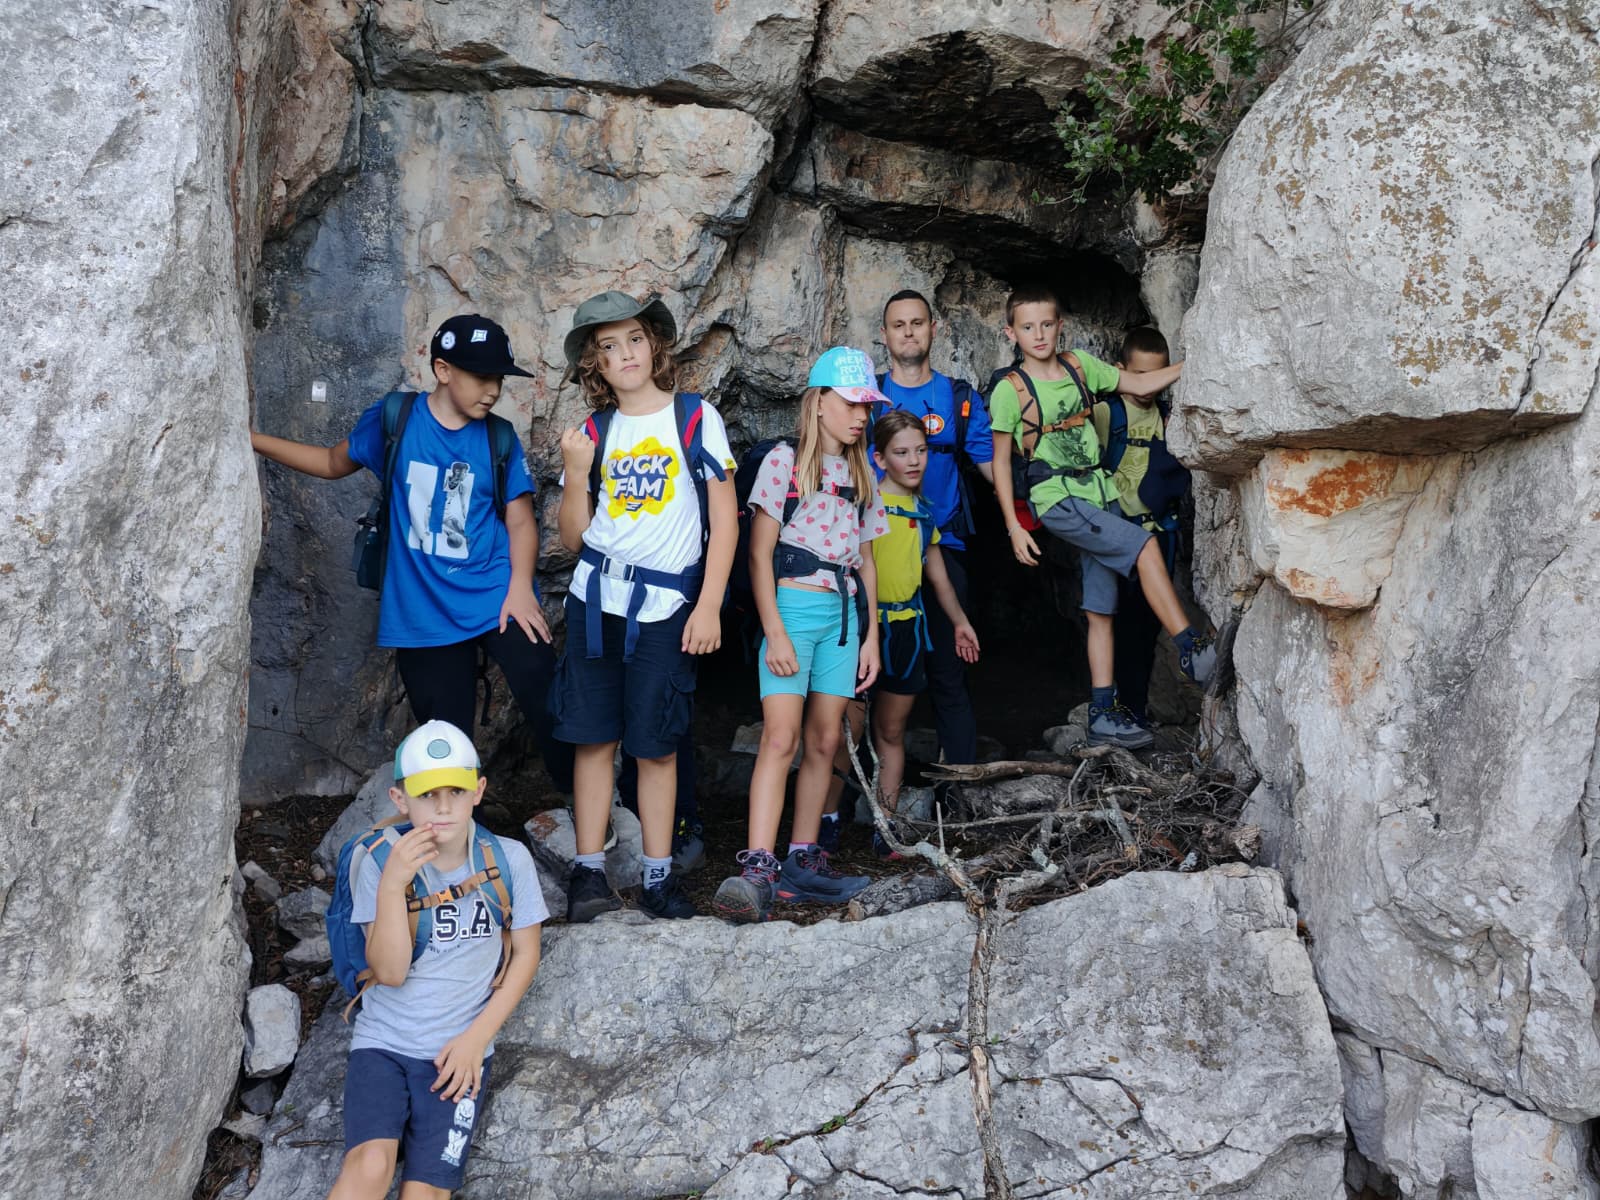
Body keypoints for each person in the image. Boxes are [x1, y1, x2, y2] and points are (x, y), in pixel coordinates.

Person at [250, 315, 563, 773]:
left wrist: (519, 588)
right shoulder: (395, 420)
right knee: (446, 737)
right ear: (442, 370)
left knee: (548, 694)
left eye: (498, 379)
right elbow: (332, 462)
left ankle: (581, 800)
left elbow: (520, 521)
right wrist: (252, 441)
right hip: (421, 607)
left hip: (496, 592)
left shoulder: (499, 438)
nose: (493, 390)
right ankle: (462, 816)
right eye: (481, 377)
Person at [554, 292, 737, 922]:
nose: (625, 353)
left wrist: (708, 605)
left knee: (656, 744)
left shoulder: (695, 418)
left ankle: (658, 878)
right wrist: (575, 470)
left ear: (654, 345)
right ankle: (588, 874)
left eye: (634, 339)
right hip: (594, 598)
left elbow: (725, 520)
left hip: (665, 605)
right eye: (608, 346)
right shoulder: (592, 433)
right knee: (593, 739)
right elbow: (573, 538)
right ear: (595, 365)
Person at [988, 287, 1215, 749]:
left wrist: (1198, 362)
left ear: (1060, 325)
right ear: (1011, 333)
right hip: (1058, 497)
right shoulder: (1010, 390)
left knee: (1101, 610)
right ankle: (1192, 649)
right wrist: (1013, 526)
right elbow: (1000, 461)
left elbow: (1141, 385)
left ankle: (1102, 713)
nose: (1038, 334)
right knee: (1144, 544)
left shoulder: (1079, 366)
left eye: (1046, 324)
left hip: (1099, 493)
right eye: (1027, 327)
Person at [330, 719, 545, 1200]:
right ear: (400, 799)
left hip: (457, 1054)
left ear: (478, 791)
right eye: (427, 795)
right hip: (383, 1044)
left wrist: (477, 1039)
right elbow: (389, 972)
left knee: (425, 1191)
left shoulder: (509, 859)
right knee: (369, 1165)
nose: (444, 807)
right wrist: (394, 883)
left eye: (456, 791)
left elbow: (526, 953)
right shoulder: (378, 861)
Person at [712, 347, 890, 923]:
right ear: (818, 403)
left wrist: (871, 636)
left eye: (867, 406)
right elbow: (759, 553)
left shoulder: (863, 473)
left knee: (826, 740)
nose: (861, 415)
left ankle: (801, 862)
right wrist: (775, 631)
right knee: (780, 737)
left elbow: (867, 561)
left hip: (843, 618)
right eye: (851, 403)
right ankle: (757, 867)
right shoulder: (783, 462)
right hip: (791, 609)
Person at [875, 290, 993, 766]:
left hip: (944, 546)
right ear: (884, 335)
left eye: (917, 323)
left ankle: (960, 779)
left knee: (949, 669)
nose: (909, 332)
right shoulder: (869, 399)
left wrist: (1030, 508)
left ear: (934, 329)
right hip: (877, 553)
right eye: (898, 324)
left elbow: (991, 465)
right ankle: (865, 786)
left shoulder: (958, 397)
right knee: (870, 671)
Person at [864, 410, 980, 856]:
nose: (914, 461)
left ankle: (885, 826)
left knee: (891, 731)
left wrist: (960, 622)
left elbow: (939, 578)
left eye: (920, 450)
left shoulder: (924, 511)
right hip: (864, 627)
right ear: (879, 458)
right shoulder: (865, 504)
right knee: (842, 730)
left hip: (908, 631)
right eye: (901, 452)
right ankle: (825, 827)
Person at [1093, 327, 1192, 725]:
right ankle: (1109, 705)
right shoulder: (1106, 414)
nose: (1149, 386)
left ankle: (1134, 710)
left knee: (1145, 628)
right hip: (1116, 537)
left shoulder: (1171, 418)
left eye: (1157, 376)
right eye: (1140, 375)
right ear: (1120, 370)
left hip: (1157, 535)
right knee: (1110, 620)